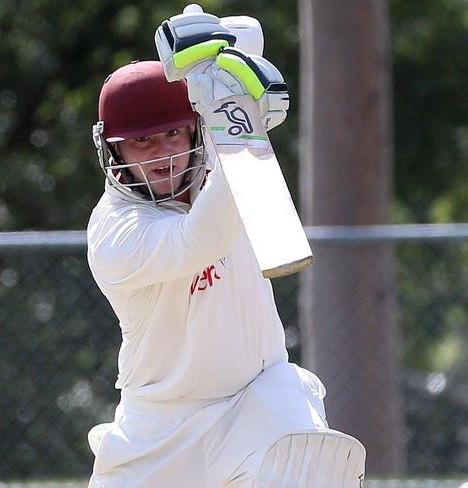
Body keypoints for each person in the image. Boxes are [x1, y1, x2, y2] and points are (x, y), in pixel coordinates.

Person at [85, 7, 365, 488]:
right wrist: (243, 125)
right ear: (114, 151)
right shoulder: (116, 230)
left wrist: (221, 59)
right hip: (160, 432)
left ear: (193, 126)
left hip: (258, 399)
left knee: (310, 464)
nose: (162, 153)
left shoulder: (214, 152)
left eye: (172, 132)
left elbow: (247, 33)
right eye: (142, 142)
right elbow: (200, 239)